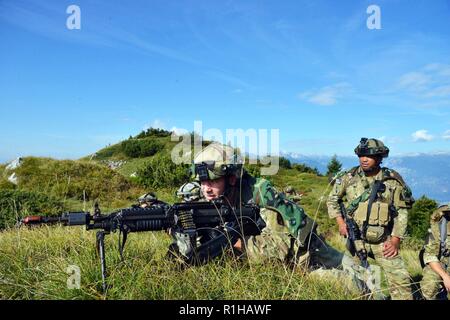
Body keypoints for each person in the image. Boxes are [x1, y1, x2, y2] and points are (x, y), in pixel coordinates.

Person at [175, 143, 374, 296]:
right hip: (283, 257)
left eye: (213, 181)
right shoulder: (210, 197)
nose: (206, 188)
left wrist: (229, 244)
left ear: (232, 178)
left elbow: (280, 248)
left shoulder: (261, 194)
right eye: (202, 181)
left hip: (304, 249)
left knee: (358, 282)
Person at [327, 138, 414, 300]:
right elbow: (332, 200)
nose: (364, 159)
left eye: (369, 156)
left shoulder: (392, 181)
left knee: (400, 281)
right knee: (353, 280)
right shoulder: (348, 177)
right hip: (355, 239)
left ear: (380, 158)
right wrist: (340, 223)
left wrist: (395, 240)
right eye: (361, 155)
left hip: (383, 240)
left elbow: (402, 212)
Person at [419, 204, 450, 300]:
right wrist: (445, 277)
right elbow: (430, 256)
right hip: (440, 264)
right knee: (430, 284)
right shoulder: (437, 232)